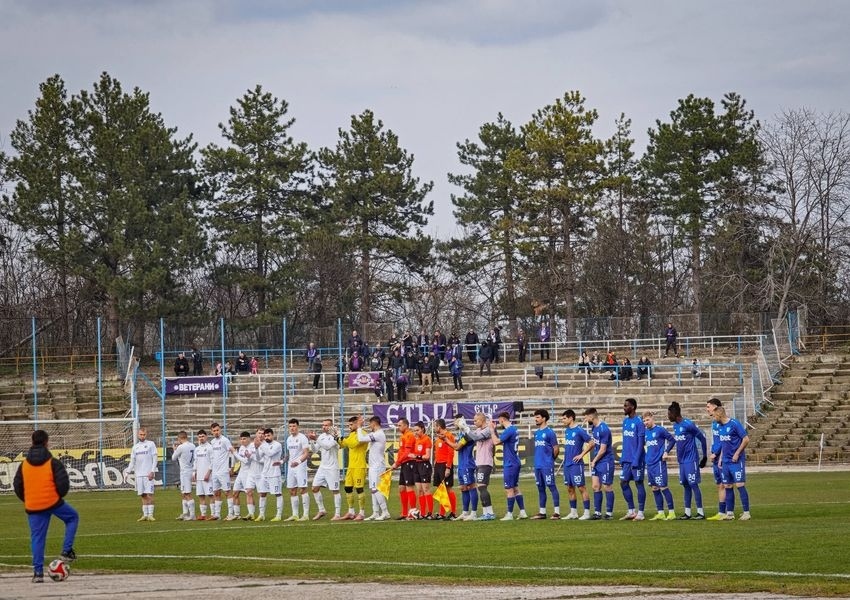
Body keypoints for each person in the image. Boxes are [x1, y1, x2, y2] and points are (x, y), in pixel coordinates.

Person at [14, 429, 79, 583]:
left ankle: (37, 574)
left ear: (32, 442)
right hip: (52, 502)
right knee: (72, 517)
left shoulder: (23, 465)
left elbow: (17, 485)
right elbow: (63, 483)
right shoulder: (53, 462)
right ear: (46, 442)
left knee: (37, 538)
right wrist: (56, 497)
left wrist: (28, 499)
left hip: (33, 505)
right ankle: (66, 550)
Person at [668, 401, 708, 520]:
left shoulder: (688, 424)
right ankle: (687, 512)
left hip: (691, 459)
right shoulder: (675, 425)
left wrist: (704, 456)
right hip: (682, 461)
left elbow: (702, 438)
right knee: (685, 485)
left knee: (693, 484)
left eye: (669, 414)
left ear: (675, 414)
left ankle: (700, 512)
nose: (668, 416)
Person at [713, 405, 751, 520]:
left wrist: (737, 453)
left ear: (719, 415)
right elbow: (724, 445)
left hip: (736, 461)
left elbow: (746, 439)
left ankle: (746, 512)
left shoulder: (734, 424)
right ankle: (730, 513)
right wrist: (720, 459)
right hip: (725, 462)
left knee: (740, 484)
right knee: (727, 485)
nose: (714, 418)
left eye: (714, 416)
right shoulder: (720, 427)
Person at [489, 412, 528, 520]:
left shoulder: (509, 430)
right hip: (515, 461)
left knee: (509, 489)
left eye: (499, 419)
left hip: (510, 463)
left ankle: (509, 514)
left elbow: (496, 442)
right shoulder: (513, 429)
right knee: (515, 487)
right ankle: (523, 512)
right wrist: (496, 431)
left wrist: (492, 430)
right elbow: (502, 441)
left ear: (502, 419)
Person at [642, 411, 677, 520]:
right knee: (654, 488)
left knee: (663, 487)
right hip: (650, 464)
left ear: (652, 419)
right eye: (644, 421)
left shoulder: (660, 430)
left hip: (659, 463)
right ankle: (661, 512)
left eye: (647, 420)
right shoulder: (645, 432)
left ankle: (671, 513)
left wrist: (666, 451)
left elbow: (672, 440)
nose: (646, 422)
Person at [442, 416, 479, 520]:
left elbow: (457, 447)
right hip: (461, 465)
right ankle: (465, 512)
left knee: (471, 486)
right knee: (463, 488)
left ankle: (474, 513)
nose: (454, 423)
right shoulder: (461, 434)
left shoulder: (467, 435)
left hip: (467, 464)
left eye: (456, 421)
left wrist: (446, 440)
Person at [560, 409, 593, 520]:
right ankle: (573, 512)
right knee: (570, 488)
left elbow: (591, 443)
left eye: (564, 418)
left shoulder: (579, 430)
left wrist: (581, 455)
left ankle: (587, 513)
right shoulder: (567, 431)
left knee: (581, 487)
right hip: (567, 464)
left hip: (576, 464)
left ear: (571, 418)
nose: (562, 420)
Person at [583, 408, 615, 519]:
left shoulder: (604, 429)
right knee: (595, 486)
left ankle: (609, 513)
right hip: (597, 461)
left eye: (586, 417)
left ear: (591, 417)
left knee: (607, 486)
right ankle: (597, 513)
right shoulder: (594, 428)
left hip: (606, 461)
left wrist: (594, 460)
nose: (585, 419)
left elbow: (603, 449)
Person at [358, 415, 391, 520]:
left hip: (377, 465)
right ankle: (375, 512)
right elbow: (363, 436)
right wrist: (360, 427)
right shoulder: (374, 434)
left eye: (370, 423)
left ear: (374, 423)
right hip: (373, 466)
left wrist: (359, 426)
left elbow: (361, 439)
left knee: (375, 489)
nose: (369, 425)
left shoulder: (379, 434)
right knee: (372, 489)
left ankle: (385, 512)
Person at [529, 408, 561, 519]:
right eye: (535, 417)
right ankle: (542, 512)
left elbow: (556, 449)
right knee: (540, 488)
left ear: (544, 418)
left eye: (538, 417)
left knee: (551, 486)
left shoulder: (550, 432)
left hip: (547, 465)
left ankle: (557, 512)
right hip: (538, 465)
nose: (536, 419)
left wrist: (550, 460)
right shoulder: (536, 433)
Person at [308, 419, 342, 521]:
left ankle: (337, 514)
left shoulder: (336, 436)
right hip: (323, 467)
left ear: (331, 426)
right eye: (323, 425)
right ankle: (322, 510)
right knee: (314, 488)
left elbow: (327, 447)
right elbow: (314, 450)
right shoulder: (322, 436)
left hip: (332, 468)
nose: (324, 427)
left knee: (335, 490)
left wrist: (316, 438)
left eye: (326, 425)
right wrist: (311, 440)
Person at [619, 398, 646, 520]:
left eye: (626, 406)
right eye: (624, 405)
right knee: (623, 482)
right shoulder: (625, 422)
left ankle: (640, 513)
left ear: (633, 407)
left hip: (637, 459)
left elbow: (641, 443)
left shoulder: (639, 422)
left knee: (638, 483)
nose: (624, 407)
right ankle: (631, 511)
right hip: (626, 459)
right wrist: (623, 457)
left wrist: (637, 459)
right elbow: (626, 441)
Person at [465, 412, 496, 520]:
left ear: (482, 420)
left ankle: (490, 513)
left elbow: (477, 437)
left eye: (476, 420)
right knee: (481, 487)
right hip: (479, 462)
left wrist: (466, 427)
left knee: (482, 486)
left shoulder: (488, 429)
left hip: (486, 462)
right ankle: (486, 513)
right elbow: (470, 437)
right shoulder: (478, 430)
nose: (474, 422)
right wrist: (462, 428)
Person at [340, 415, 369, 520]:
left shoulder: (363, 434)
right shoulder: (352, 434)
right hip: (351, 466)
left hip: (359, 466)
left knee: (359, 489)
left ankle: (361, 513)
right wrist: (337, 438)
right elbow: (344, 445)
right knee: (347, 488)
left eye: (351, 424)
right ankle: (351, 512)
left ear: (357, 424)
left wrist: (342, 438)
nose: (349, 426)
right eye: (349, 425)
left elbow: (352, 444)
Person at [126, 426, 158, 521]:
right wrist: (128, 471)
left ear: (146, 434)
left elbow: (155, 459)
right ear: (138, 434)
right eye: (141, 434)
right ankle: (145, 515)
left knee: (150, 494)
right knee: (143, 495)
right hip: (139, 474)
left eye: (144, 434)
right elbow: (132, 461)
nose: (142, 436)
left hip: (148, 474)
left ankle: (151, 515)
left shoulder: (151, 444)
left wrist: (152, 471)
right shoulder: (135, 447)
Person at [391, 418, 418, 519]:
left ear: (406, 425)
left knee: (409, 487)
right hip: (403, 463)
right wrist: (398, 463)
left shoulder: (409, 435)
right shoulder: (403, 436)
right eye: (398, 425)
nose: (398, 427)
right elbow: (401, 452)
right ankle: (404, 512)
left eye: (400, 425)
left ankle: (413, 512)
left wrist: (397, 463)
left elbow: (407, 453)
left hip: (409, 463)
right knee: (401, 488)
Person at [284, 418, 311, 521]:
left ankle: (305, 515)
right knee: (292, 490)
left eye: (294, 426)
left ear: (298, 427)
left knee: (303, 489)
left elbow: (306, 453)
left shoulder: (302, 438)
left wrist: (298, 462)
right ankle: (295, 515)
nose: (292, 428)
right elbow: (289, 454)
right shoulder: (288, 439)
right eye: (290, 426)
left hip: (300, 467)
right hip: (291, 467)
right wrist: (282, 461)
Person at [255, 427, 284, 521]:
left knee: (278, 493)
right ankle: (261, 515)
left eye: (268, 435)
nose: (266, 437)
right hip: (265, 473)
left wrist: (261, 445)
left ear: (272, 435)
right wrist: (256, 448)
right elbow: (259, 458)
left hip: (274, 473)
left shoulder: (277, 445)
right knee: (262, 493)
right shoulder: (263, 445)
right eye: (265, 436)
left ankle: (279, 515)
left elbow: (270, 453)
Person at [705, 398, 727, 520]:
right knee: (720, 485)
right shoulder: (714, 423)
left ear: (715, 407)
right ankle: (723, 512)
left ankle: (726, 512)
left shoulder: (721, 422)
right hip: (716, 457)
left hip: (721, 458)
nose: (707, 409)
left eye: (708, 406)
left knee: (725, 485)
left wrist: (716, 453)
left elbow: (723, 441)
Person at [230, 430, 259, 520]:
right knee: (235, 492)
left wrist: (234, 452)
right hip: (241, 473)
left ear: (249, 439)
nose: (242, 441)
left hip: (248, 473)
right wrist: (234, 468)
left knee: (249, 493)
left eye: (244, 439)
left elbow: (246, 461)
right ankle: (237, 514)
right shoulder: (242, 447)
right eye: (241, 439)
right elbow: (240, 460)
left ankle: (251, 513)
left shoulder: (252, 447)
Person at [431, 419, 458, 519]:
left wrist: (448, 467)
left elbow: (451, 452)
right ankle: (442, 513)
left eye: (435, 426)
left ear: (439, 426)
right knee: (441, 489)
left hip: (445, 465)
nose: (434, 428)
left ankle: (454, 512)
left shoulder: (449, 436)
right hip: (438, 465)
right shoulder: (438, 438)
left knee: (448, 488)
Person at [209, 422, 233, 521]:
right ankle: (217, 514)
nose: (216, 432)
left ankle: (231, 514)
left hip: (223, 471)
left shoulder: (225, 440)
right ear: (211, 432)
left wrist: (231, 467)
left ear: (220, 430)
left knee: (227, 492)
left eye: (217, 430)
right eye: (214, 431)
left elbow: (232, 453)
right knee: (216, 493)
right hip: (215, 472)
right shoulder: (212, 442)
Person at [171, 430, 196, 520]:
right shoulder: (193, 445)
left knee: (187, 493)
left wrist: (175, 449)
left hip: (185, 472)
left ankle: (192, 515)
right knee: (183, 493)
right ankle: (185, 513)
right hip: (190, 469)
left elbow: (173, 458)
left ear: (179, 438)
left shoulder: (181, 447)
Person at [412, 421, 434, 518]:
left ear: (422, 429)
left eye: (417, 430)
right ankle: (422, 512)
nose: (415, 432)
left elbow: (427, 456)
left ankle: (430, 513)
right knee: (419, 490)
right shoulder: (415, 440)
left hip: (424, 465)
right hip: (416, 465)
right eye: (414, 430)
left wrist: (416, 456)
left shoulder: (427, 439)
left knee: (426, 489)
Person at [192, 429, 213, 520]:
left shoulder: (210, 447)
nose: (201, 438)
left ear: (206, 437)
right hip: (199, 476)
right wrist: (194, 473)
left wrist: (208, 473)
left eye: (203, 436)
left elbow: (213, 461)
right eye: (199, 437)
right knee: (201, 495)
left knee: (210, 495)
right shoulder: (197, 449)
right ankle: (203, 514)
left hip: (208, 476)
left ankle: (213, 514)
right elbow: (195, 462)